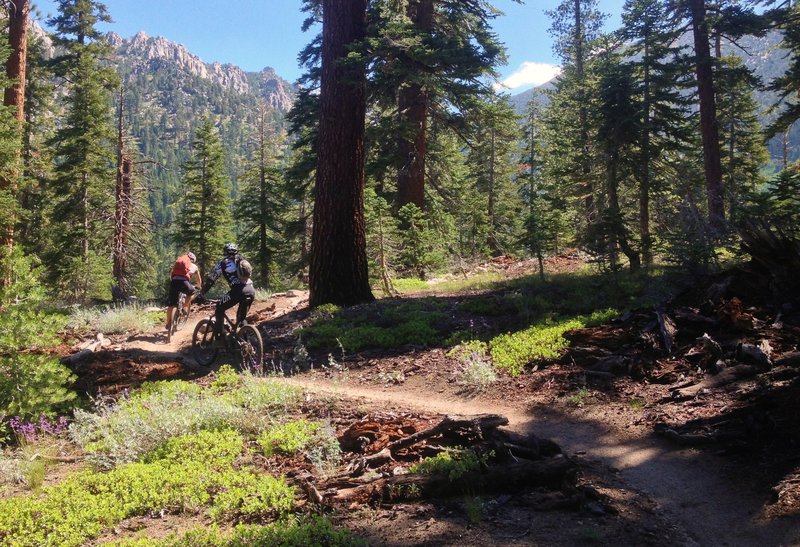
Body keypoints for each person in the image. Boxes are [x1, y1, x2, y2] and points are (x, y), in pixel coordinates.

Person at [202, 242, 255, 345]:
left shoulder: (223, 263)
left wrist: (201, 294)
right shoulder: (243, 260)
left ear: (225, 252)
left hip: (238, 291)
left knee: (219, 308)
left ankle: (220, 339)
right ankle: (248, 342)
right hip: (251, 290)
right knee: (241, 318)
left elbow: (211, 279)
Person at [165, 251, 202, 333]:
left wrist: (173, 281)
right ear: (193, 260)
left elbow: (172, 274)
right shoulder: (194, 266)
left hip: (174, 282)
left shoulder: (179, 263)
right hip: (184, 282)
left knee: (171, 304)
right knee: (191, 291)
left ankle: (168, 323)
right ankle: (185, 306)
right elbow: (198, 280)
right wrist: (199, 287)